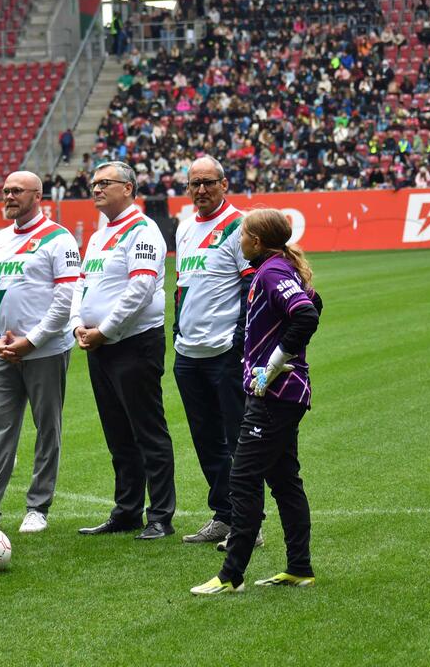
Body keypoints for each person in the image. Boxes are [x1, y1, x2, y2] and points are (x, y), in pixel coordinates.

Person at [191, 208, 323, 594]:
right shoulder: (278, 267)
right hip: (281, 393)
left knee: (244, 478)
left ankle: (231, 575)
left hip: (276, 394)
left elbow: (307, 314)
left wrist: (276, 364)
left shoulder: (271, 271)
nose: (240, 239)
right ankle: (299, 567)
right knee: (284, 479)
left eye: (244, 234)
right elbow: (316, 303)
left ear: (258, 241)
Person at [70, 162, 176, 540]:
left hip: (134, 343)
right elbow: (81, 283)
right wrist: (78, 326)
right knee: (117, 433)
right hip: (99, 345)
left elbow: (141, 288)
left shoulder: (143, 230)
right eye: (94, 183)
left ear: (128, 188)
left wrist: (104, 330)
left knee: (148, 430)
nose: (96, 189)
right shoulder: (100, 235)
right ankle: (127, 510)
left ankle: (160, 516)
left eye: (105, 183)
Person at [0, 171, 81, 534]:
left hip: (45, 350)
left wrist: (32, 340)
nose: (8, 196)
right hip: (2, 353)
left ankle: (38, 506)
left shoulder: (59, 238)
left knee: (46, 428)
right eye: (5, 191)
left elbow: (66, 299)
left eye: (16, 191)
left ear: (38, 196)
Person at [173, 157, 261, 549]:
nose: (202, 190)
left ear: (224, 184)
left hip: (224, 351)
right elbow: (182, 285)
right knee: (206, 441)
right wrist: (178, 328)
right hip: (188, 353)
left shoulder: (241, 226)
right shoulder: (185, 227)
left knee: (237, 440)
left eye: (209, 182)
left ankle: (249, 522)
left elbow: (252, 288)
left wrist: (240, 341)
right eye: (195, 183)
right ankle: (224, 516)